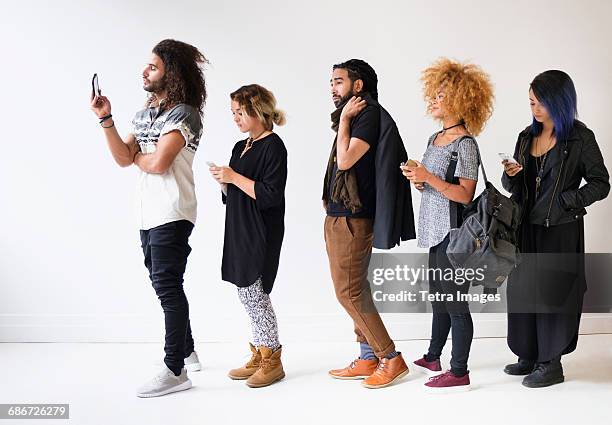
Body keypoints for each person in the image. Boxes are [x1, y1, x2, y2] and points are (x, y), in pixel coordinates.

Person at [90, 39, 207, 398]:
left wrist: (143, 155)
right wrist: (106, 119)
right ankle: (186, 348)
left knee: (167, 285)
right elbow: (124, 157)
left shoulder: (185, 114)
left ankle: (175, 369)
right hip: (148, 212)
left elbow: (157, 164)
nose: (145, 71)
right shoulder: (145, 115)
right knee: (164, 283)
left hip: (173, 210)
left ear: (171, 74)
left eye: (153, 67)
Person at [501, 70, 609, 388]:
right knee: (522, 291)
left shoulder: (580, 137)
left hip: (560, 228)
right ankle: (530, 354)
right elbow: (515, 187)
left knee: (554, 294)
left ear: (558, 102)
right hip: (526, 227)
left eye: (540, 103)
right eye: (531, 102)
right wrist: (512, 174)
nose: (534, 109)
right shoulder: (525, 136)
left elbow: (601, 183)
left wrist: (567, 200)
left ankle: (551, 363)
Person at [402, 58, 494, 392]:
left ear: (459, 100)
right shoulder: (435, 137)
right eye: (434, 94)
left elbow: (466, 195)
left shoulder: (466, 144)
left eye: (440, 96)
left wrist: (430, 178)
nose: (432, 100)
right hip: (432, 229)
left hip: (455, 235)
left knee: (455, 303)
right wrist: (420, 179)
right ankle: (433, 356)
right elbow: (437, 185)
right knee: (439, 298)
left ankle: (459, 372)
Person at [324, 59, 410, 389]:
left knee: (349, 292)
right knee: (356, 289)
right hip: (339, 215)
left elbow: (345, 159)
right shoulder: (358, 115)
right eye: (331, 82)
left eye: (339, 81)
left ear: (358, 86)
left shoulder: (367, 114)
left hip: (353, 219)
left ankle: (390, 357)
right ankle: (368, 356)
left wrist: (345, 119)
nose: (333, 87)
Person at [209, 84, 288, 388]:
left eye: (240, 112)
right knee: (245, 292)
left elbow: (269, 195)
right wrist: (225, 183)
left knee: (256, 293)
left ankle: (273, 358)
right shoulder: (241, 146)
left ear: (257, 111)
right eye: (233, 113)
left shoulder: (274, 146)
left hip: (260, 230)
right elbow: (239, 191)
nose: (236, 118)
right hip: (239, 227)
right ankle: (258, 351)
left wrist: (233, 177)